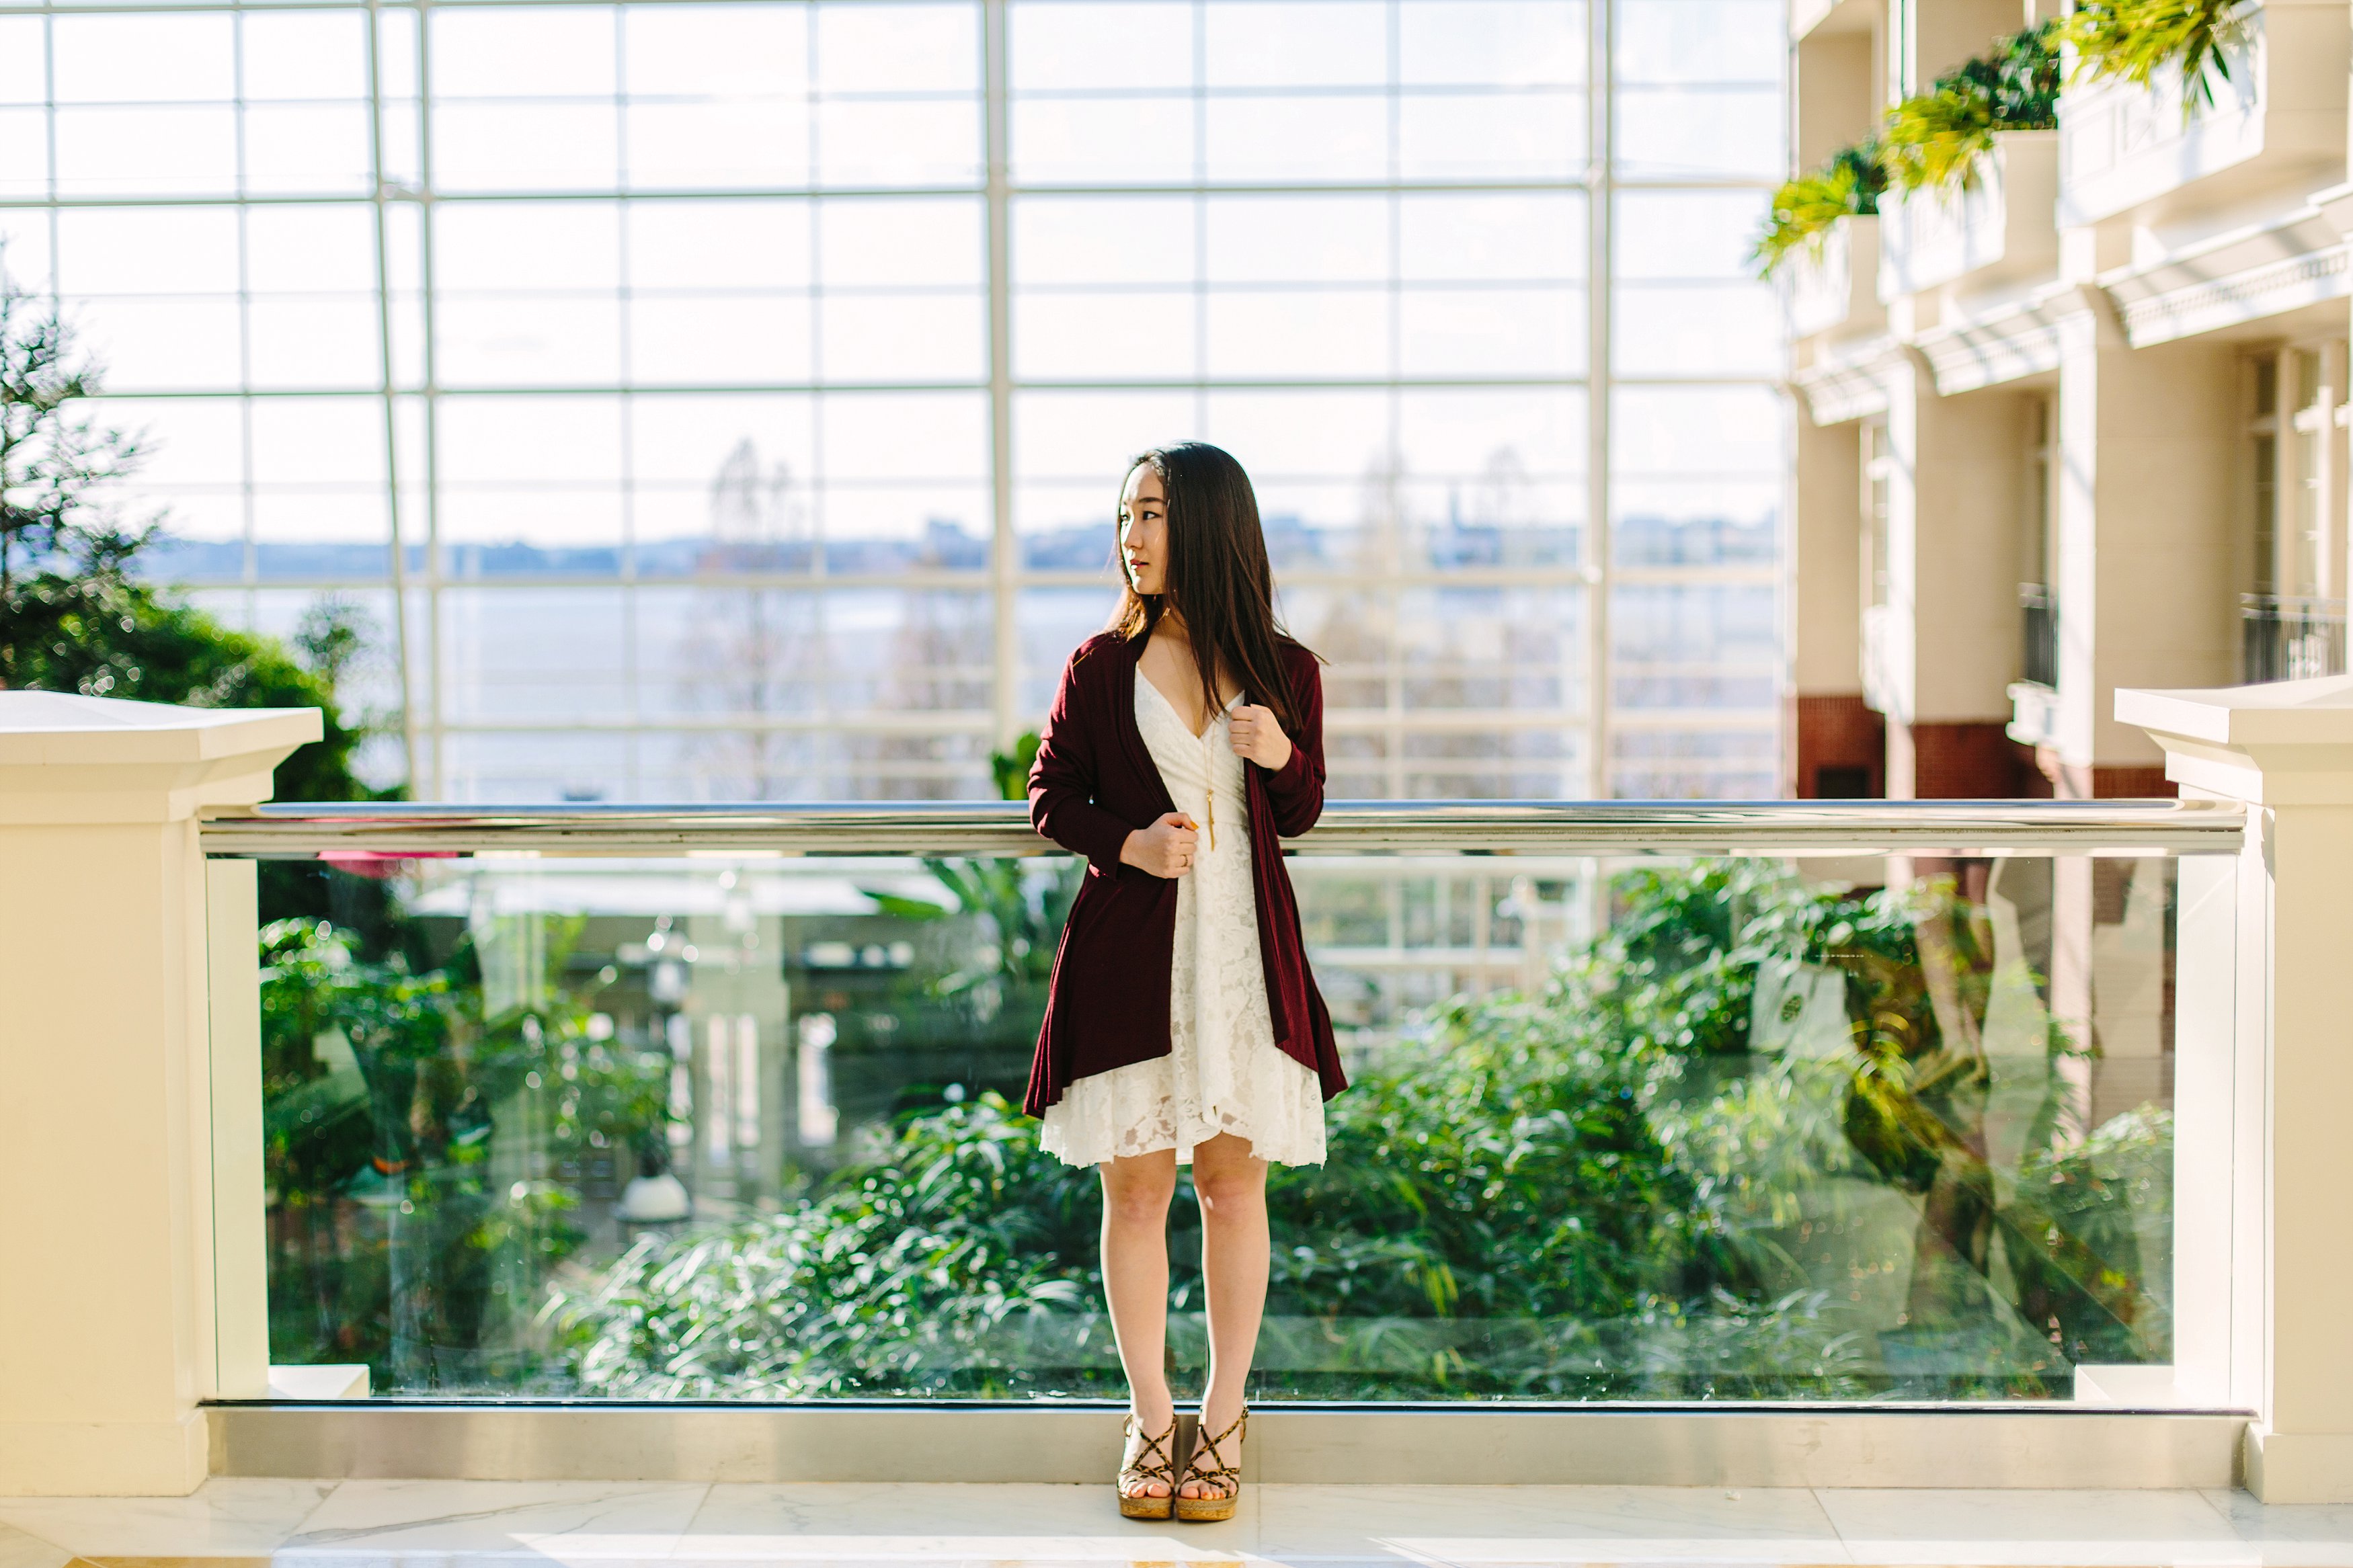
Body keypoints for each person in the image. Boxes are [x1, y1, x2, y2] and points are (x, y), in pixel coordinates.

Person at [1023, 441, 1347, 1524]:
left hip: (1241, 961)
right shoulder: (1098, 666)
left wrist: (1276, 751)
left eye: (1153, 513)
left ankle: (1224, 1413)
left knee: (1230, 1187)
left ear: (1206, 524)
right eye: (1125, 514)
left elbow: (1300, 810)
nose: (1134, 534)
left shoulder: (1284, 669)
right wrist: (1130, 845)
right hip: (1129, 959)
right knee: (1136, 1189)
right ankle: (1151, 1417)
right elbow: (1049, 795)